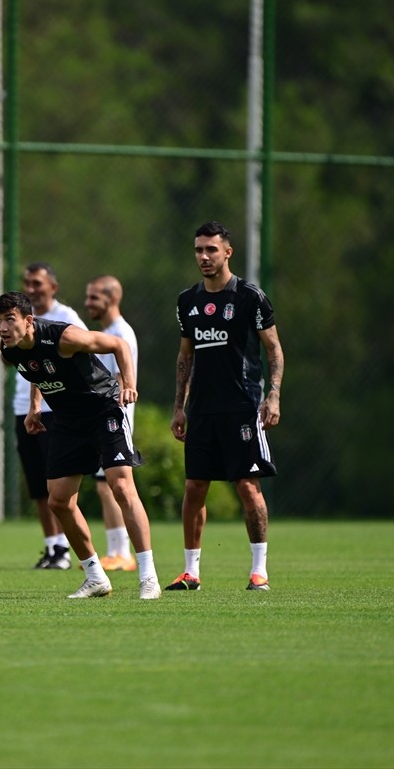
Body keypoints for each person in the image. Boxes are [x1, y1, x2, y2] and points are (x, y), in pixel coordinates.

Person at [0, 290, 163, 600]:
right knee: (58, 501)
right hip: (67, 421)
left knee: (121, 487)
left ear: (28, 321)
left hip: (102, 410)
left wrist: (129, 384)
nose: (2, 327)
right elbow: (35, 369)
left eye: (9, 320)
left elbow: (118, 345)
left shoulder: (64, 337)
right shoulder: (11, 349)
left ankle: (148, 576)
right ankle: (95, 577)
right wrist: (35, 406)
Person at [168, 220, 284, 592]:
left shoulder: (250, 297)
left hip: (242, 406)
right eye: (199, 250)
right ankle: (191, 572)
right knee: (195, 486)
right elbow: (185, 356)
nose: (203, 256)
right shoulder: (188, 301)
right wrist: (179, 406)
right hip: (202, 409)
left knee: (248, 488)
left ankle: (259, 571)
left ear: (227, 252)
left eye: (211, 250)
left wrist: (274, 394)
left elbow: (274, 349)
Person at [14, 262, 86, 570]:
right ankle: (52, 547)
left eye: (37, 284)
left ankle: (67, 547)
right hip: (23, 408)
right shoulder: (16, 320)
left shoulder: (66, 318)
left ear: (52, 287)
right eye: (27, 283)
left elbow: (85, 354)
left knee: (59, 484)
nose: (31, 289)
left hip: (58, 411)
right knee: (37, 485)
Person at [84, 275, 140, 572]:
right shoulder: (108, 331)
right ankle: (116, 551)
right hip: (100, 421)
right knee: (104, 485)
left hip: (114, 421)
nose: (87, 303)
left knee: (113, 485)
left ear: (112, 298)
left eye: (94, 297)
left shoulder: (121, 333)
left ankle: (123, 553)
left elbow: (121, 379)